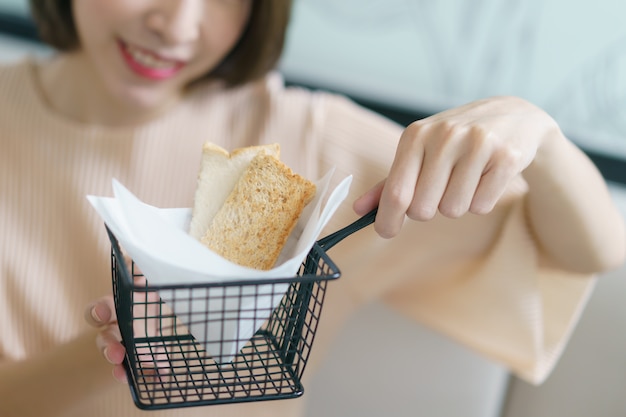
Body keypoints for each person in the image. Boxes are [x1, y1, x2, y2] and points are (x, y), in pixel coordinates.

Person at [0, 1, 624, 416]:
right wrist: (112, 351)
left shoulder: (311, 145)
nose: (178, 24)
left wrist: (538, 136)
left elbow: (592, 251)